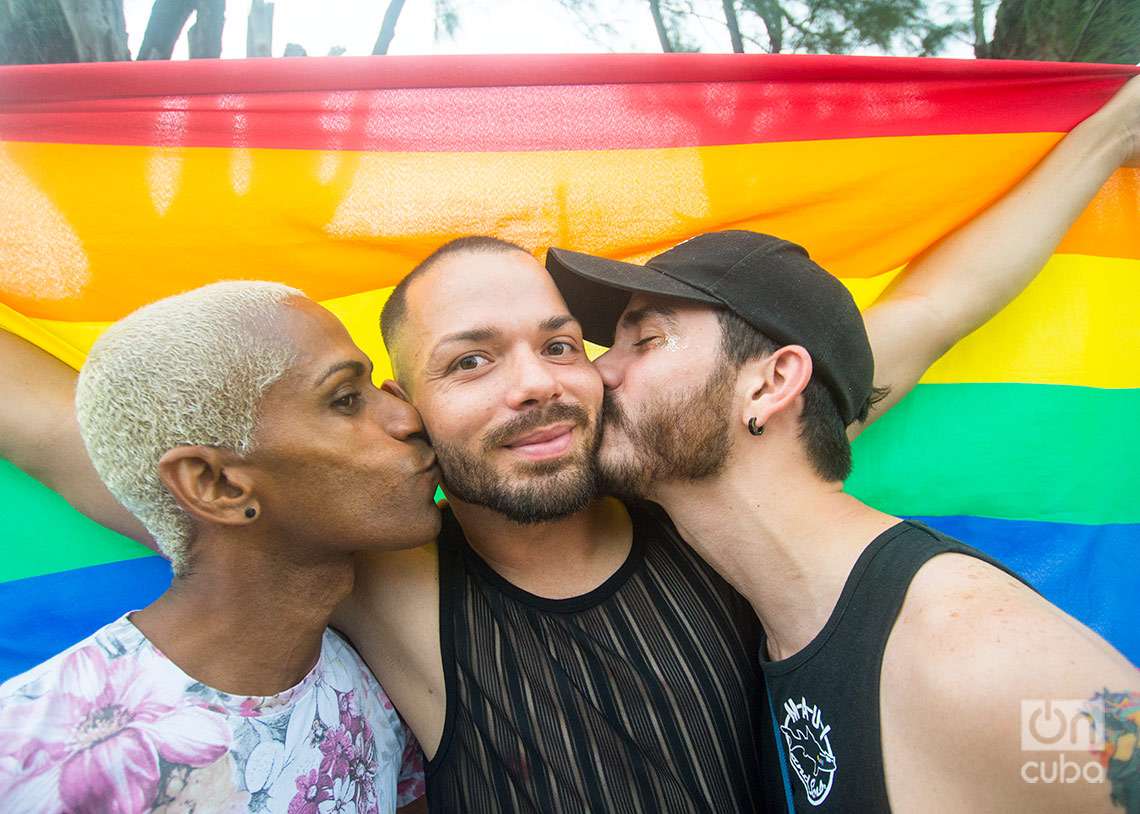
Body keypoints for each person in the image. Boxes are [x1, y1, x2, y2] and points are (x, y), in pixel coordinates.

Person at [2, 79, 1137, 813]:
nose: (540, 382)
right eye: (470, 360)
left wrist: (1105, 139)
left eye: (566, 341)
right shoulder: (381, 572)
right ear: (406, 416)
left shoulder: (705, 488)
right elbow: (88, 431)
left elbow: (921, 320)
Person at [542, 78, 1140, 813]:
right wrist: (1116, 134)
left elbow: (1125, 757)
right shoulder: (763, 554)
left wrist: (1112, 130)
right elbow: (938, 307)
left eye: (648, 338)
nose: (598, 373)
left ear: (770, 386)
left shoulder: (984, 652)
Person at [0, 282, 438, 814]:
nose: (408, 418)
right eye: (346, 400)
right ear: (217, 486)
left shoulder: (385, 687)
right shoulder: (28, 757)